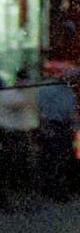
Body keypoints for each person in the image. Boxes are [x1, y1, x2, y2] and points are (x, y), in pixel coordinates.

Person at [0, 66, 43, 210]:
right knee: (9, 167)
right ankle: (7, 200)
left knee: (26, 167)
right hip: (9, 134)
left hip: (25, 133)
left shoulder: (27, 93)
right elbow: (15, 106)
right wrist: (29, 96)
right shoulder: (7, 94)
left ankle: (24, 199)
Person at [39, 69, 77, 202]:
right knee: (59, 160)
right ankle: (58, 190)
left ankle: (49, 188)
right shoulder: (68, 92)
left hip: (52, 126)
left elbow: (40, 110)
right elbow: (71, 115)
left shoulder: (45, 88)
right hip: (58, 127)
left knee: (51, 159)